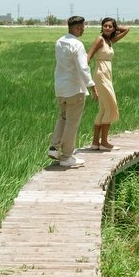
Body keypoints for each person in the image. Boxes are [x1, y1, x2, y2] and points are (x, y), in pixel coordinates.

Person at [47, 15, 97, 168]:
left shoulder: (59, 42)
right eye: (82, 27)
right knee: (72, 123)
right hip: (74, 88)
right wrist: (92, 86)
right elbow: (83, 68)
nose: (83, 30)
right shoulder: (77, 44)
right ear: (76, 28)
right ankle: (67, 156)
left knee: (62, 118)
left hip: (61, 88)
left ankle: (54, 147)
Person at [87, 17, 129, 150]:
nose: (107, 28)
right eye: (105, 26)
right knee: (111, 107)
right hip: (100, 75)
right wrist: (86, 76)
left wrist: (116, 28)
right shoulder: (100, 40)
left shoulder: (110, 41)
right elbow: (89, 56)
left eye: (110, 26)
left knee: (104, 109)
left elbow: (127, 29)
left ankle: (95, 143)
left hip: (107, 75)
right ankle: (104, 142)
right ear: (101, 27)